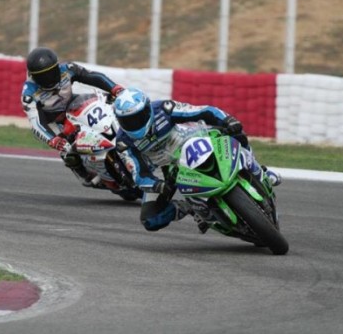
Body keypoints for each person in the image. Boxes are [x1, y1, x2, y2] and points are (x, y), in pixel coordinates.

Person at [113, 87, 281, 233]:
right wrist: (157, 184)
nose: (134, 124)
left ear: (147, 109)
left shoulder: (164, 109)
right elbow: (138, 173)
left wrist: (227, 120)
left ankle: (259, 170)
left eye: (138, 117)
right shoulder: (122, 142)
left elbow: (204, 111)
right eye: (127, 121)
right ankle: (190, 208)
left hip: (190, 140)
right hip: (164, 168)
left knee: (235, 132)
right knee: (150, 220)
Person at [21, 47, 124, 186]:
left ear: (57, 67)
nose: (48, 78)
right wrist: (53, 139)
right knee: (67, 151)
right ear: (34, 76)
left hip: (73, 104)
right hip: (54, 121)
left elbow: (93, 77)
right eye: (42, 76)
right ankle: (86, 175)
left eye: (51, 72)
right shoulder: (29, 93)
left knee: (108, 102)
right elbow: (36, 123)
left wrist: (114, 88)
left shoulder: (68, 69)